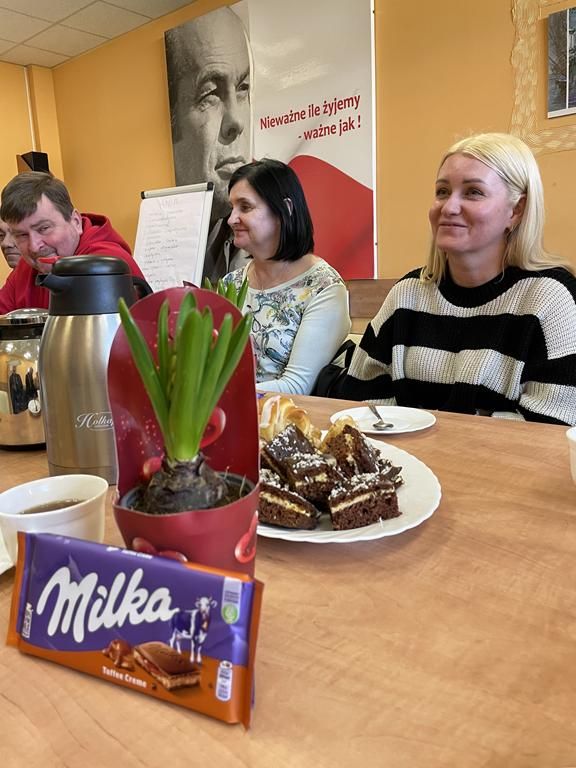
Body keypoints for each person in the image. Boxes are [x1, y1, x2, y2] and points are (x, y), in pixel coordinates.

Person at [333, 132, 576, 425]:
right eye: (442, 191)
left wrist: (422, 425)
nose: (448, 207)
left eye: (473, 192)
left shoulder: (552, 298)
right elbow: (360, 403)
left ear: (516, 210)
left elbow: (552, 430)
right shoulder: (407, 294)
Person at [223, 159, 350, 395]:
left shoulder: (323, 287)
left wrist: (215, 399)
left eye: (245, 207)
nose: (231, 219)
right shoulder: (231, 284)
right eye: (232, 207)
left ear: (285, 210)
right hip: (226, 411)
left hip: (286, 415)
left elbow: (297, 386)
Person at [165, 7, 252, 283]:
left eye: (243, 88)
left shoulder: (259, 259)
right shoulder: (166, 248)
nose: (236, 121)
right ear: (172, 121)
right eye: (211, 94)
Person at [0, 172, 145, 313]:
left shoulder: (105, 264)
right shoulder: (27, 268)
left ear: (75, 221)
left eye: (44, 228)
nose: (34, 247)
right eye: (22, 235)